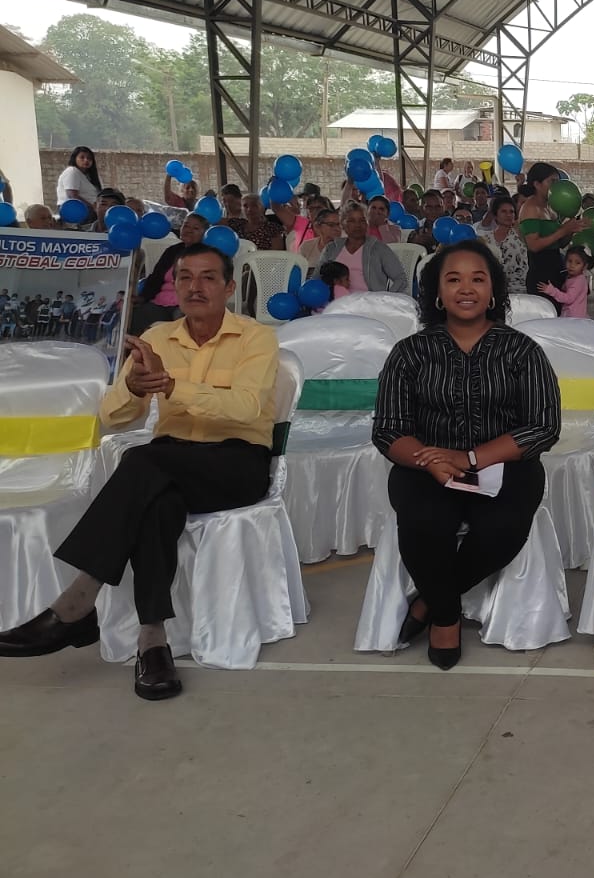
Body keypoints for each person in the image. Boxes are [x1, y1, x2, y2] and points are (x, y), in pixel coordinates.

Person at [0, 243, 279, 700]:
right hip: (170, 462)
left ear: (229, 288)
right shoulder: (158, 337)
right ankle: (153, 643)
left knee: (141, 462)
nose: (195, 286)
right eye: (185, 276)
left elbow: (246, 408)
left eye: (208, 277)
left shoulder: (256, 338)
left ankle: (76, 602)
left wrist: (172, 385)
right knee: (156, 502)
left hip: (236, 462)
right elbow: (113, 417)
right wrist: (132, 387)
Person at [373, 242, 560, 670]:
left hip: (505, 465)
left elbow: (543, 426)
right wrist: (434, 461)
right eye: (453, 279)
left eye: (478, 278)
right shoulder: (410, 352)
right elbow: (387, 429)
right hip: (424, 464)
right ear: (438, 293)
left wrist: (470, 458)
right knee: (424, 522)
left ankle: (432, 604)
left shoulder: (522, 350)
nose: (466, 288)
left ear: (493, 290)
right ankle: (447, 618)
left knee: (502, 527)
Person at [130, 212, 210, 334]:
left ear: (205, 234)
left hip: (188, 302)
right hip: (161, 301)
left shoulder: (207, 256)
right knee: (138, 315)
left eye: (195, 228)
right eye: (186, 226)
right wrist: (143, 297)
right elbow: (156, 278)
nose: (189, 230)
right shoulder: (172, 251)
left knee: (185, 323)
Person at [517, 162, 588, 293]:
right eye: (552, 181)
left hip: (556, 267)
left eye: (557, 181)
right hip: (541, 273)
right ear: (537, 184)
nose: (556, 186)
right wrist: (563, 230)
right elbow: (533, 245)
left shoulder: (551, 207)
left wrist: (571, 229)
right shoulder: (530, 208)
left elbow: (560, 243)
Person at [319, 201, 409, 294]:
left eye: (362, 221)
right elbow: (317, 278)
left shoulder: (379, 248)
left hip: (369, 301)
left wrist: (385, 298)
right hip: (336, 301)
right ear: (343, 225)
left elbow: (401, 278)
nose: (357, 225)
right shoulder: (331, 248)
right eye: (352, 221)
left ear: (367, 224)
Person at [484, 195, 529, 293]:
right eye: (503, 211)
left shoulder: (520, 232)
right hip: (494, 290)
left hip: (520, 289)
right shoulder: (486, 238)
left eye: (511, 212)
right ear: (495, 215)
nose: (508, 215)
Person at [539, 246, 594, 317]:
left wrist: (552, 291)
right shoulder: (572, 277)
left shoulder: (579, 281)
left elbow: (568, 298)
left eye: (577, 263)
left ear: (585, 266)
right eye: (570, 261)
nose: (572, 265)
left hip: (573, 317)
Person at [297, 206, 343, 272]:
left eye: (339, 224)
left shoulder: (346, 246)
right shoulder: (306, 247)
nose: (337, 229)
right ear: (317, 226)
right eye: (331, 225)